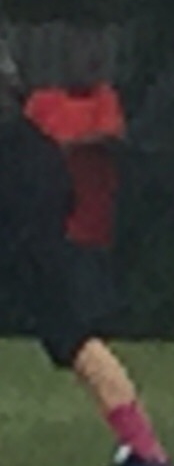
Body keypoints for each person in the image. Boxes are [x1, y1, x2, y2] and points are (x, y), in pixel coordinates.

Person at [0, 45, 174, 466]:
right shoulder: (28, 140)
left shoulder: (17, 146)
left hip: (27, 231)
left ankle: (147, 455)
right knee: (74, 339)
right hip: (33, 224)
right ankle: (142, 450)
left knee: (74, 339)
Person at [22, 28, 128, 303]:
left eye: (90, 58)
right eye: (78, 57)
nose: (84, 65)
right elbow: (23, 140)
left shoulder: (103, 99)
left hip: (90, 212)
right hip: (44, 212)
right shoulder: (42, 101)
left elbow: (110, 136)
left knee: (89, 279)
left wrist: (69, 146)